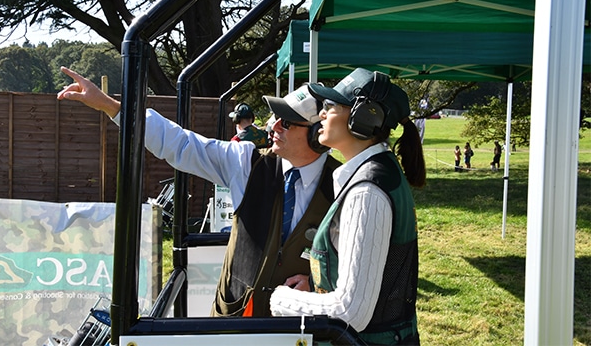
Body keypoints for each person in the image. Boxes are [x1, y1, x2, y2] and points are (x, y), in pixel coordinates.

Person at [56, 66, 341, 317]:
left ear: (317, 136)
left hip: (301, 328)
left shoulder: (343, 183)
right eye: (276, 117)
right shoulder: (246, 162)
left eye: (288, 122)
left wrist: (318, 283)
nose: (274, 126)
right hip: (234, 320)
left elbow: (359, 264)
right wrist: (110, 106)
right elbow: (180, 144)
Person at [270, 68, 426, 345]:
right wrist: (318, 286)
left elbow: (350, 312)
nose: (321, 115)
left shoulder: (367, 192)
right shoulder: (376, 174)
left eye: (331, 106)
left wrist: (281, 300)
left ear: (365, 117)